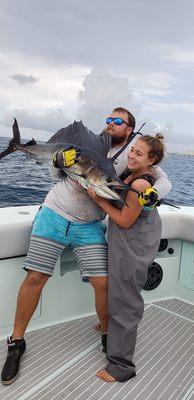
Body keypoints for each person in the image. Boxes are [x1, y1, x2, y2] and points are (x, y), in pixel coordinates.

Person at [1, 107, 171, 385]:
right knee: (36, 277)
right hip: (54, 214)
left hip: (89, 225)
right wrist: (57, 161)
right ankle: (16, 342)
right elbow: (58, 176)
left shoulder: (133, 155)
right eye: (108, 119)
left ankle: (108, 334)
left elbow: (163, 180)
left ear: (130, 128)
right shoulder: (85, 145)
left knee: (103, 283)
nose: (110, 124)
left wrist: (153, 193)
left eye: (118, 121)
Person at [87, 133, 166, 382]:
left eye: (138, 154)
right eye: (132, 150)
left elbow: (123, 220)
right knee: (118, 291)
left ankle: (122, 367)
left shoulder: (141, 183)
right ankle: (111, 329)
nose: (131, 155)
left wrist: (97, 199)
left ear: (151, 160)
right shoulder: (132, 174)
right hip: (127, 241)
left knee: (126, 301)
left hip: (133, 244)